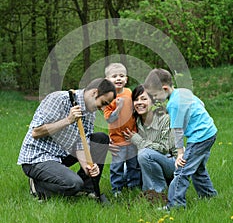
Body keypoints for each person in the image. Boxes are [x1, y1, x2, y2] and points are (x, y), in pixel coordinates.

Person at [17, 78, 117, 200]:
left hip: (61, 155)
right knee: (74, 184)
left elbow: (81, 142)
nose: (102, 108)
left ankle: (87, 189)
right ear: (94, 93)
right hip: (38, 158)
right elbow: (36, 132)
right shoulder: (58, 99)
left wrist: (88, 166)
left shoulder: (90, 111)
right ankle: (38, 186)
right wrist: (68, 120)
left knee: (100, 139)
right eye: (103, 103)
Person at [144, 68, 218, 209]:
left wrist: (180, 153)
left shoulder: (174, 104)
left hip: (200, 137)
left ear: (164, 89)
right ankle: (208, 195)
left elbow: (177, 131)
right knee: (197, 168)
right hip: (210, 132)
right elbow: (201, 103)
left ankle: (176, 204)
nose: (154, 99)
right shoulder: (183, 92)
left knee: (181, 171)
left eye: (154, 95)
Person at [123, 85, 176, 203]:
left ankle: (155, 193)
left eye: (144, 99)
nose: (139, 102)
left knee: (144, 154)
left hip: (171, 162)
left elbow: (164, 148)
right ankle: (150, 182)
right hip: (149, 162)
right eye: (136, 100)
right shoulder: (135, 121)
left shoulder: (164, 119)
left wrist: (139, 141)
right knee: (124, 171)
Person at [104, 63, 141, 196]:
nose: (118, 79)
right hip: (117, 140)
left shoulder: (129, 93)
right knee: (116, 167)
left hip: (131, 137)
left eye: (121, 76)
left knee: (133, 165)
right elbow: (109, 119)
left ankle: (134, 186)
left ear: (126, 79)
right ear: (107, 80)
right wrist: (118, 108)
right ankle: (117, 189)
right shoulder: (108, 98)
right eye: (114, 76)